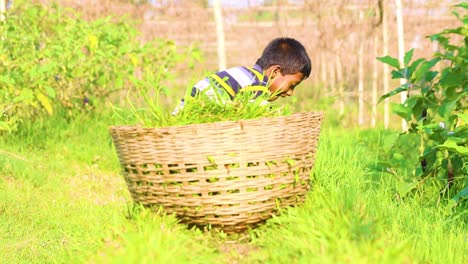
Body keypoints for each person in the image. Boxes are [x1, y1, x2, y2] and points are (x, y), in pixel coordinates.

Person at [172, 37, 311, 115]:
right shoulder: (257, 84)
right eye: (292, 85)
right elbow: (262, 115)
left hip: (182, 114)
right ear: (275, 72)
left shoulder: (246, 74)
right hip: (191, 117)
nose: (291, 93)